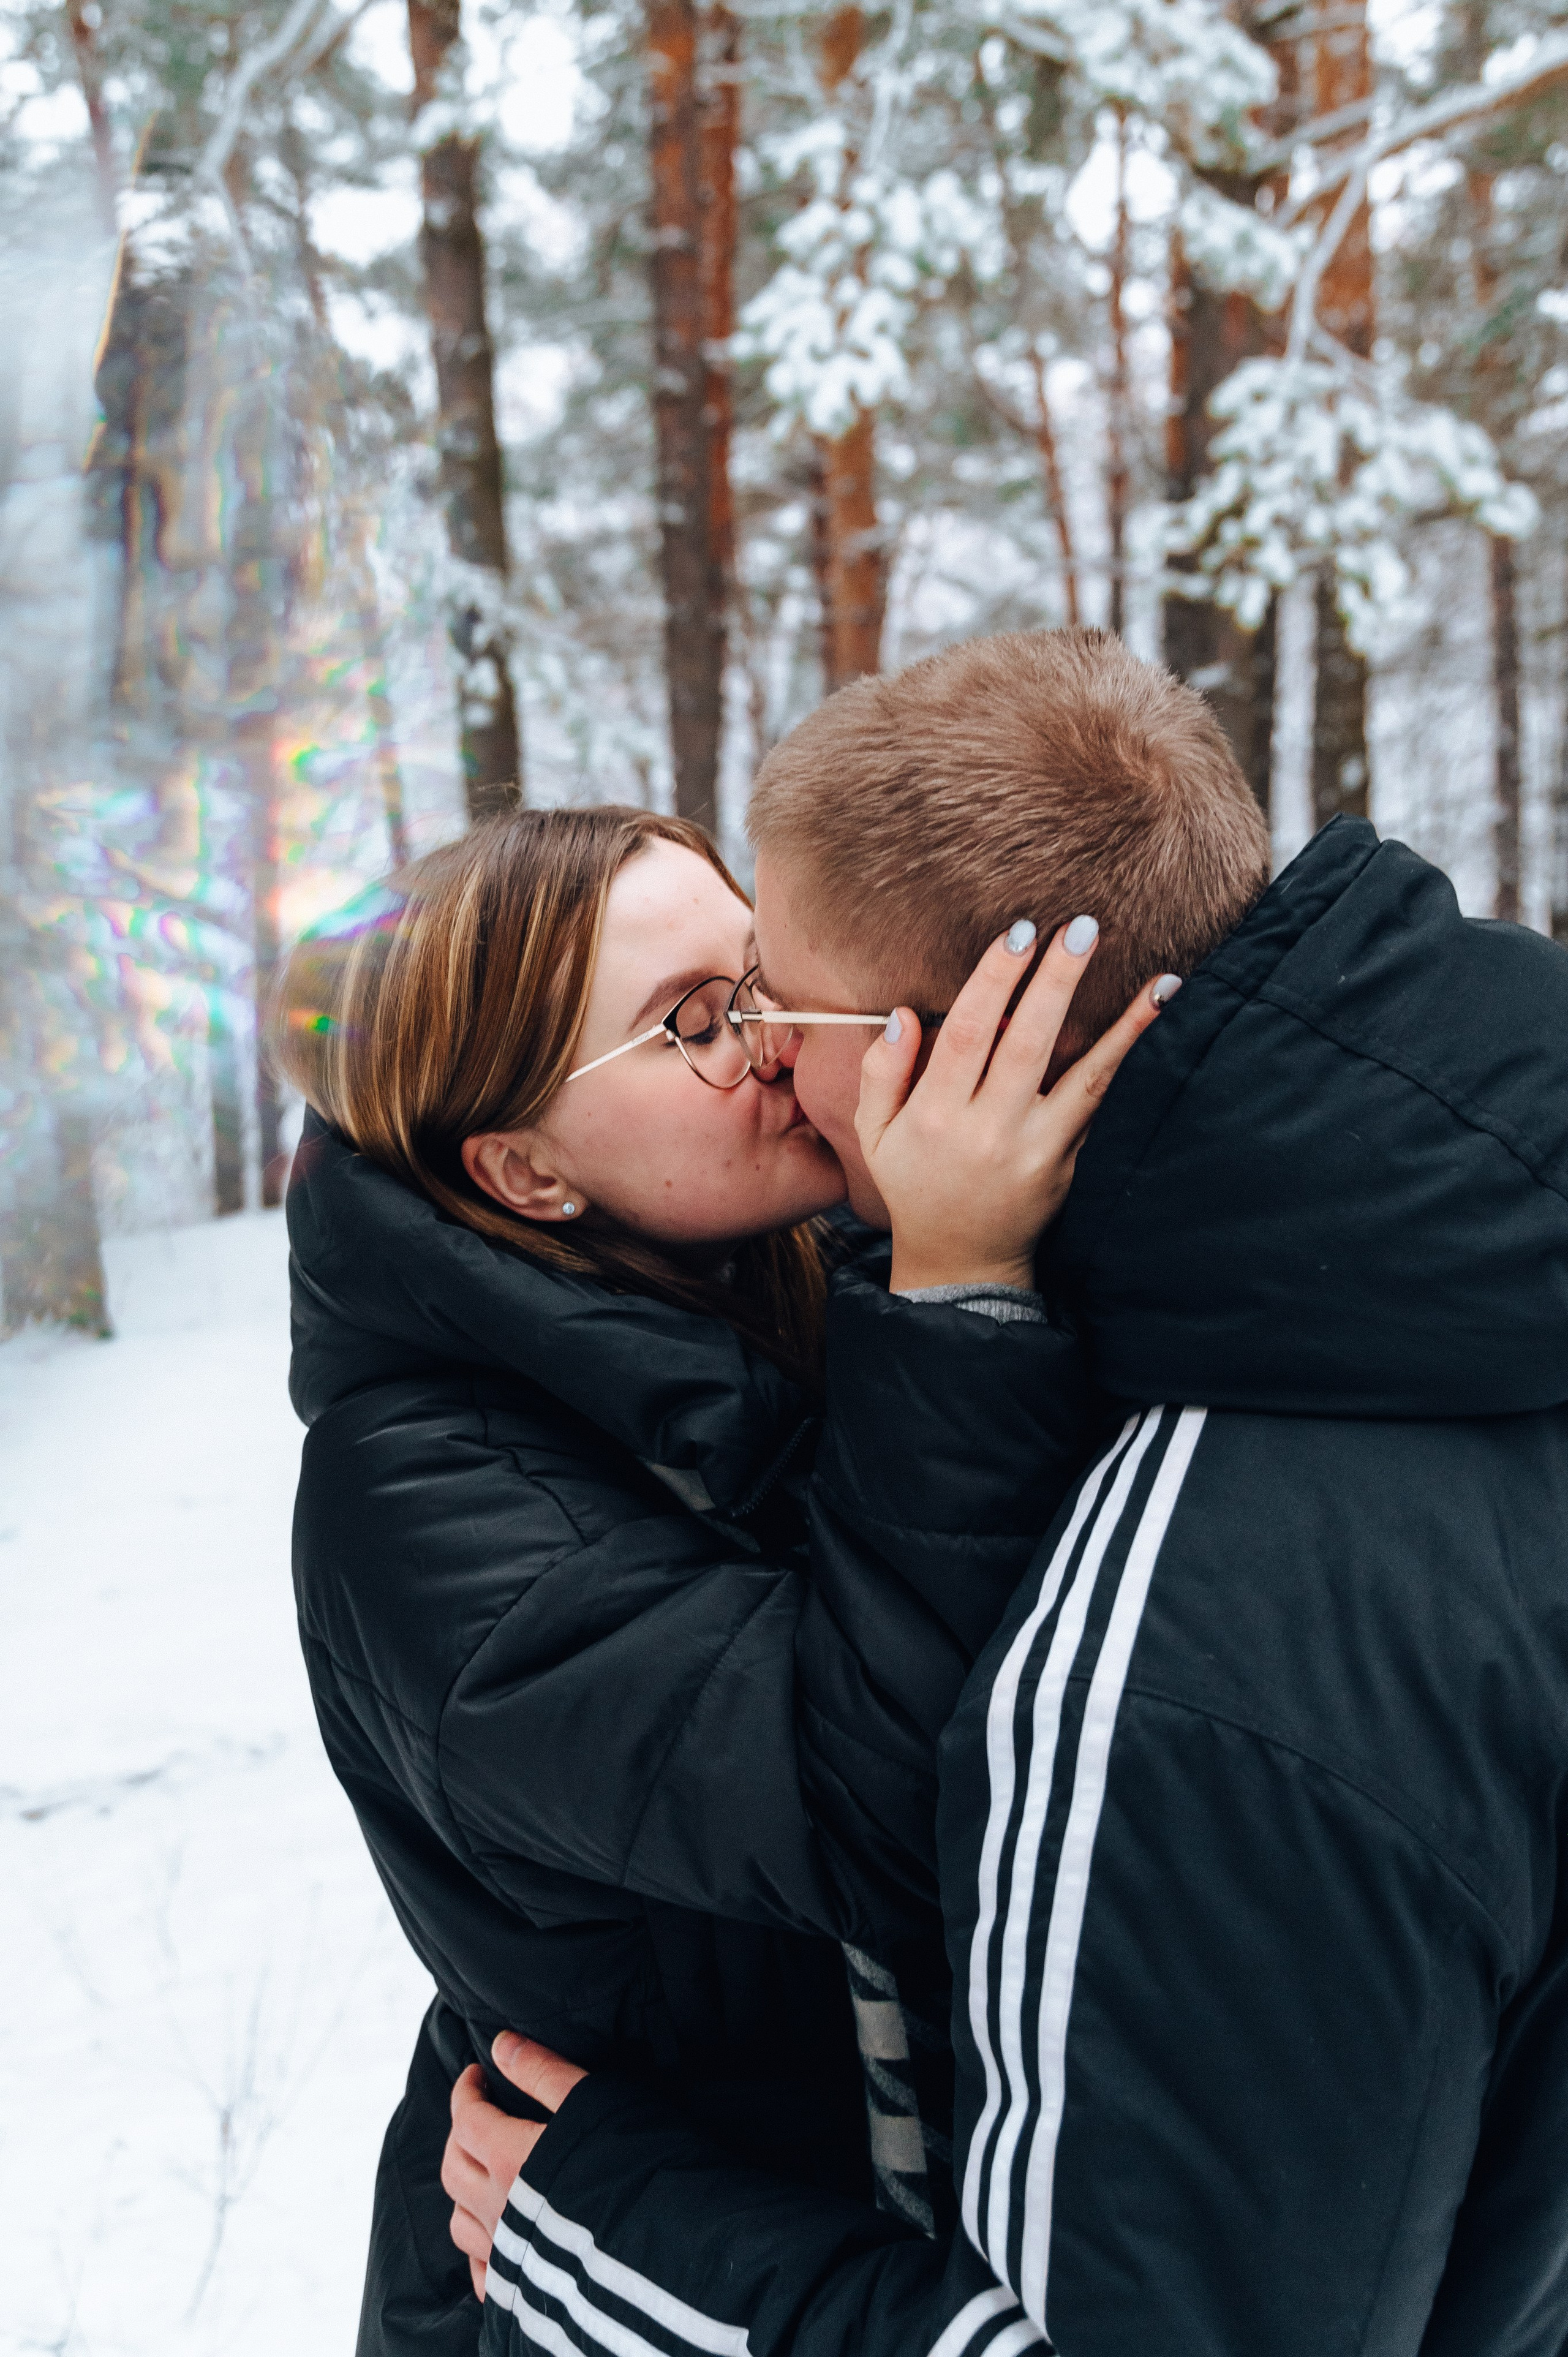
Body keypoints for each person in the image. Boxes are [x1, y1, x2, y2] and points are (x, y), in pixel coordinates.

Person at [443, 628, 1568, 2357]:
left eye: (776, 1006)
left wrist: (616, 2242)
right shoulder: (1478, 1252)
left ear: (965, 1046)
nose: (764, 1062)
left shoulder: (1172, 1665)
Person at [271, 793, 1188, 2355]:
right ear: (526, 1173)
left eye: (762, 974)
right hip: (623, 2276)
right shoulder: (419, 1511)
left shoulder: (791, 1263)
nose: (778, 1039)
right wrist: (959, 1297)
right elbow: (891, 1808)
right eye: (696, 1022)